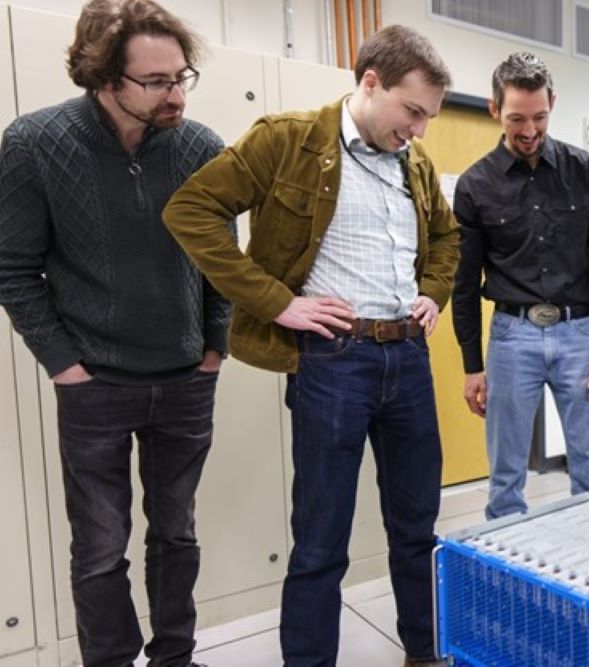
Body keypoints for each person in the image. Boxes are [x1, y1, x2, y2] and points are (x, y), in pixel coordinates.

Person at [161, 25, 458, 667]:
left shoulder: (417, 163)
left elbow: (446, 239)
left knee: (417, 529)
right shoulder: (286, 139)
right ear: (371, 82)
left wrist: (434, 290)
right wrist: (278, 302)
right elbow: (191, 210)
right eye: (413, 112)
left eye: (429, 117)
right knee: (321, 537)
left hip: (407, 358)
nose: (420, 129)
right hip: (333, 361)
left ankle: (426, 652)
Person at [0, 1, 229, 665]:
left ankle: (175, 657)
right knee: (99, 548)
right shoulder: (33, 144)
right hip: (94, 385)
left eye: (182, 75)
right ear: (103, 79)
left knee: (178, 536)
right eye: (155, 82)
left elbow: (222, 262)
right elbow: (13, 269)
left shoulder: (201, 147)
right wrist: (65, 365)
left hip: (187, 380)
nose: (176, 93)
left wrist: (215, 349)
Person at [452, 52, 589, 520]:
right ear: (495, 110)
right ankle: (511, 578)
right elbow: (464, 284)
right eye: (516, 119)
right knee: (506, 476)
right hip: (512, 338)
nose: (529, 130)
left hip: (578, 335)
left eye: (539, 117)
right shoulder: (473, 185)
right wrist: (472, 365)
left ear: (552, 103)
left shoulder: (584, 170)